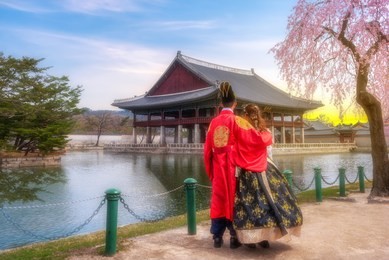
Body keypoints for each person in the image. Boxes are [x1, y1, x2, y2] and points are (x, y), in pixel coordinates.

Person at [231, 103, 303, 248]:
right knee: (270, 202)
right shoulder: (265, 133)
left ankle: (251, 238)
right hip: (265, 169)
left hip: (246, 172)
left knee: (249, 204)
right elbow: (268, 150)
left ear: (245, 116)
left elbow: (234, 149)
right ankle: (265, 237)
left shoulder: (242, 132)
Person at [203, 81, 241, 249]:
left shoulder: (213, 123)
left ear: (220, 104)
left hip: (218, 168)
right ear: (235, 103)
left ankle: (217, 237)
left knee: (218, 200)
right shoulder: (239, 122)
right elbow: (251, 142)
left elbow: (206, 152)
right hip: (235, 169)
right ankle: (234, 237)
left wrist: (211, 172)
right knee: (235, 199)